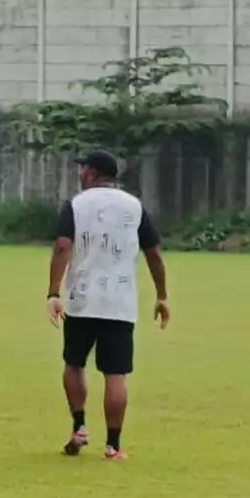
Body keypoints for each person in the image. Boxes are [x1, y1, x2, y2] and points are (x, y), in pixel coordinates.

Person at [46, 150, 169, 460]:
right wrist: (162, 295)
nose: (80, 174)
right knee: (116, 375)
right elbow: (153, 253)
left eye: (83, 168)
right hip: (119, 303)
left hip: (82, 300)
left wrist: (53, 292)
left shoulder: (76, 204)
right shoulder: (135, 206)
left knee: (74, 363)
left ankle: (79, 426)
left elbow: (63, 247)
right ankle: (113, 445)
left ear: (92, 173)